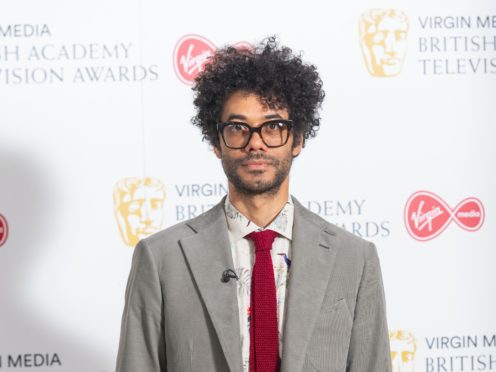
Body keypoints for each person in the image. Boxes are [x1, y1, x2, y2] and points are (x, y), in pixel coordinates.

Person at [115, 37, 391, 372]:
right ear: (217, 142)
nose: (255, 143)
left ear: (299, 138)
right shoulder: (161, 259)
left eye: (274, 126)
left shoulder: (355, 259)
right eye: (238, 128)